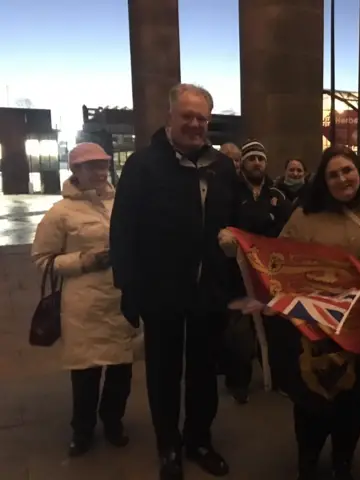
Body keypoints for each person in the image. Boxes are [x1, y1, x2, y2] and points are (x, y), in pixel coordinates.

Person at [110, 84, 242, 480]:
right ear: (169, 117)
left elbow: (234, 220)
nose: (196, 125)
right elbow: (123, 231)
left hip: (209, 291)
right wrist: (129, 290)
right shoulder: (142, 165)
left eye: (202, 118)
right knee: (164, 373)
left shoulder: (221, 167)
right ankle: (168, 444)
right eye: (188, 116)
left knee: (203, 371)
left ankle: (199, 439)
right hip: (160, 291)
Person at [277, 145, 360, 480]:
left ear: (359, 172)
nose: (341, 178)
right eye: (333, 174)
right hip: (315, 328)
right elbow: (280, 260)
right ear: (324, 180)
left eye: (347, 170)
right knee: (311, 402)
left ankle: (343, 462)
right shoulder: (304, 214)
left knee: (353, 400)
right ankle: (308, 461)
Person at [32, 143, 137, 457]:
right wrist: (85, 260)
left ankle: (113, 422)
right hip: (83, 304)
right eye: (92, 166)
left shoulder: (123, 203)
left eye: (104, 165)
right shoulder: (60, 213)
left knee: (121, 368)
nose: (101, 172)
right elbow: (42, 258)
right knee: (86, 372)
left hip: (121, 298)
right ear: (75, 171)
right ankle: (83, 429)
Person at [220, 139, 293, 404]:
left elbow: (289, 228)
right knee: (240, 332)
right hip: (238, 274)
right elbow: (227, 225)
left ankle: (277, 377)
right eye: (251, 159)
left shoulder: (277, 195)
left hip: (270, 274)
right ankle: (238, 381)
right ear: (244, 164)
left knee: (275, 329)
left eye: (261, 159)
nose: (256, 163)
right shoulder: (231, 194)